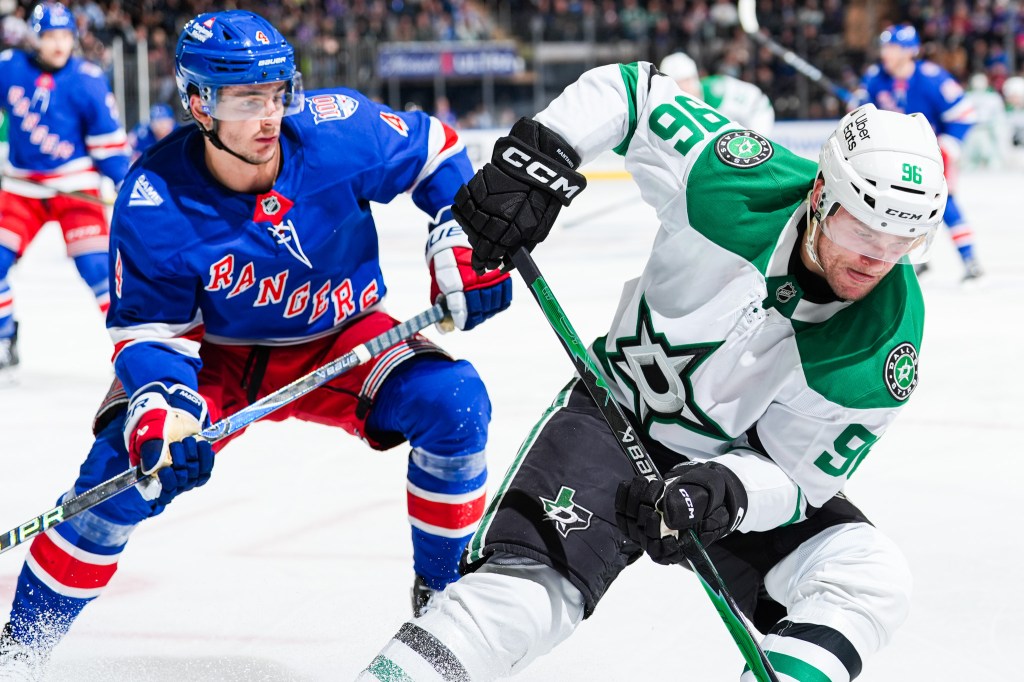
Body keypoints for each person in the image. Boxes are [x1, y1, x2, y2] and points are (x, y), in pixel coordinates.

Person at [361, 62, 946, 681]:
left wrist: (726, 491)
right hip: (612, 418)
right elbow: (632, 92)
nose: (877, 259)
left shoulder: (888, 340)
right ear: (821, 194)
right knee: (520, 602)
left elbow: (798, 478)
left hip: (724, 468)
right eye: (863, 230)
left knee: (866, 578)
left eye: (903, 241)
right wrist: (541, 155)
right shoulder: (732, 178)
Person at [0, 9, 510, 675]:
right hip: (217, 359)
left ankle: (441, 603)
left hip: (340, 339)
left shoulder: (336, 130)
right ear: (200, 104)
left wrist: (462, 239)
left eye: (277, 93)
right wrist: (163, 414)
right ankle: (19, 654)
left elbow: (437, 150)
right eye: (247, 100)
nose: (270, 116)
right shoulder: (154, 198)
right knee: (118, 479)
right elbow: (151, 334)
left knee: (455, 402)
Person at [0, 1, 131, 373]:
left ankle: (130, 348)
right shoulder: (9, 67)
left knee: (98, 270)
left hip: (75, 185)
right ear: (34, 38)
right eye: (50, 36)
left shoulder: (87, 78)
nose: (59, 44)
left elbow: (109, 143)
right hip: (23, 186)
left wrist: (124, 182)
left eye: (65, 36)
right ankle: (5, 337)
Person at [860, 24, 982, 280]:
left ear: (909, 51)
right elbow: (863, 113)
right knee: (895, 206)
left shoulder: (932, 78)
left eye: (893, 47)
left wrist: (950, 143)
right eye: (885, 47)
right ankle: (912, 258)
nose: (886, 53)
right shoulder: (875, 78)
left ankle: (970, 258)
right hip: (896, 155)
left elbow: (965, 113)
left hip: (932, 154)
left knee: (944, 203)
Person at [659, 51, 775, 135]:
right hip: (751, 111)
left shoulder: (713, 94)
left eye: (681, 82)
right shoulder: (705, 90)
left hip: (758, 112)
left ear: (691, 79)